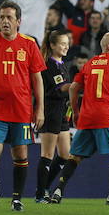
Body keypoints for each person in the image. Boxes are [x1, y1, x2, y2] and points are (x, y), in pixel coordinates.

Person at [0, 1, 45, 211]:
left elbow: (37, 79)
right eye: (2, 17)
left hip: (22, 109)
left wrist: (40, 109)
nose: (4, 21)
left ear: (18, 22)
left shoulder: (30, 44)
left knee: (20, 154)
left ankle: (16, 198)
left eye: (9, 18)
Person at [49, 32, 109, 205]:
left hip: (86, 117)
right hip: (106, 116)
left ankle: (58, 191)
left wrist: (76, 111)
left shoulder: (89, 63)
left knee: (75, 156)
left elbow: (73, 88)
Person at [35, 30, 72, 202]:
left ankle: (45, 188)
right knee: (47, 154)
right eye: (63, 43)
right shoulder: (48, 65)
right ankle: (40, 193)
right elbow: (63, 88)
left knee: (65, 154)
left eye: (67, 43)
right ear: (52, 45)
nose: (66, 46)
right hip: (50, 112)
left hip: (63, 113)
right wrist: (81, 84)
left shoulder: (62, 64)